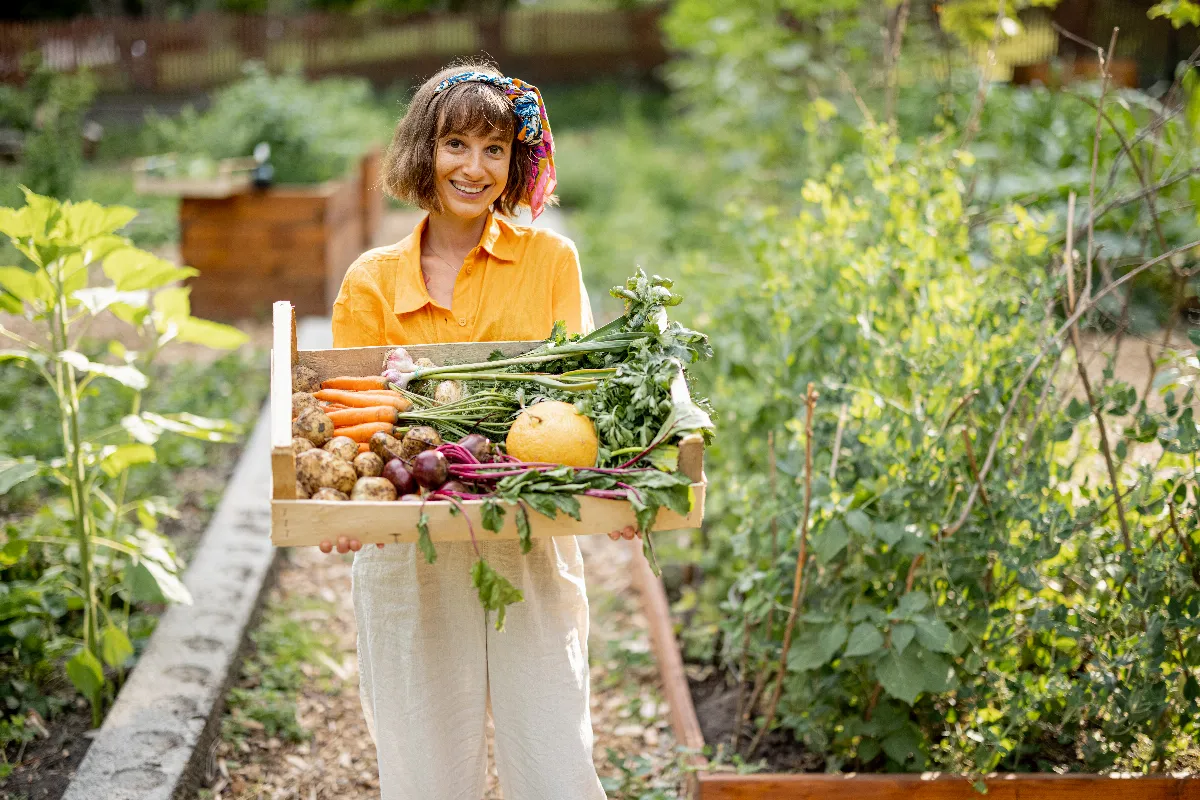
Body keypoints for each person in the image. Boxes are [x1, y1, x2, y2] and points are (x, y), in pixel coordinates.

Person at [316, 60, 635, 799]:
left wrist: (619, 483)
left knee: (554, 759)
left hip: (527, 531)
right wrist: (342, 511)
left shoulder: (550, 259)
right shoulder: (370, 279)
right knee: (424, 771)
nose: (474, 166)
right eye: (456, 143)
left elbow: (577, 401)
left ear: (514, 162)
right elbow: (351, 425)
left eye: (495, 149)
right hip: (409, 550)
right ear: (424, 150)